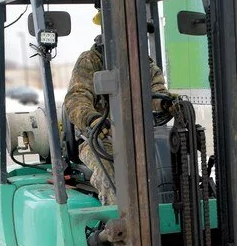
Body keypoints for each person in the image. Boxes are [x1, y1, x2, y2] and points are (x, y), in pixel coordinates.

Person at [62, 12, 173, 205]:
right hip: (98, 139)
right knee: (111, 176)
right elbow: (76, 98)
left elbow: (155, 92)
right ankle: (123, 228)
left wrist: (166, 103)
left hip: (140, 137)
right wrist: (93, 119)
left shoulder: (144, 64)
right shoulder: (91, 61)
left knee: (179, 166)